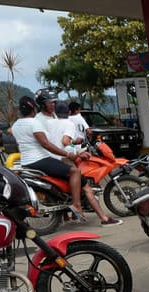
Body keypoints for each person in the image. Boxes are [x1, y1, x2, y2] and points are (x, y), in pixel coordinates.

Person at [14, 91, 119, 226]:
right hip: (46, 158)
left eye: (54, 102)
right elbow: (48, 143)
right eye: (50, 102)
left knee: (77, 182)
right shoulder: (36, 122)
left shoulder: (19, 124)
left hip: (28, 161)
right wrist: (69, 153)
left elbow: (52, 140)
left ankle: (70, 215)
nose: (53, 104)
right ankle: (80, 206)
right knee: (77, 175)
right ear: (37, 106)